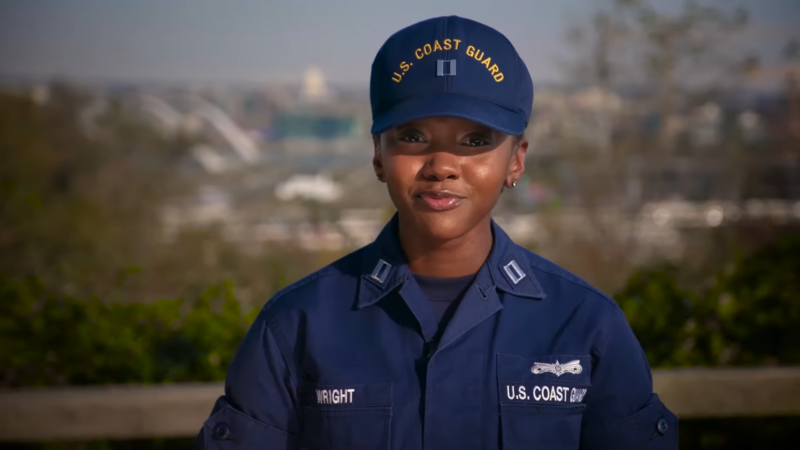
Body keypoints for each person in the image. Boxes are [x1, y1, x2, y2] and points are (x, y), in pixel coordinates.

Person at [196, 15, 678, 450]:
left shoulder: (585, 324)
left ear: (516, 160)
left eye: (476, 141)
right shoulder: (296, 325)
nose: (442, 166)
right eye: (413, 136)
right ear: (378, 155)